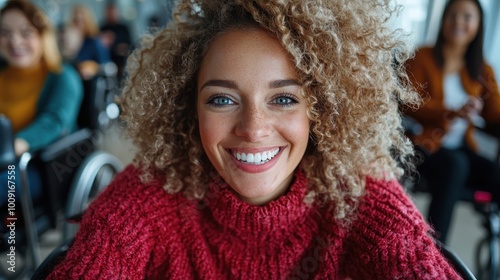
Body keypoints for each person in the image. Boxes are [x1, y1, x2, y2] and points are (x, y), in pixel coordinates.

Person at [48, 0, 461, 278]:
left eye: (283, 98)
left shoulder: (364, 202)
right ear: (187, 106)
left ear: (323, 109)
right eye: (223, 99)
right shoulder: (145, 199)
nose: (253, 128)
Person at [404, 0, 500, 244]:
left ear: (478, 25)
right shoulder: (422, 57)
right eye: (453, 15)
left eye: (467, 17)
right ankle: (436, 250)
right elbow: (408, 102)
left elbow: (495, 114)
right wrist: (452, 112)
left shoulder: (482, 70)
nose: (459, 22)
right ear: (443, 20)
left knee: (493, 172)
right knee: (456, 165)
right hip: (425, 146)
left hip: (462, 149)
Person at [0, 0, 83, 225]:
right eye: (5, 33)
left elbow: (54, 122)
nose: (15, 41)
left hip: (38, 166)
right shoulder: (3, 75)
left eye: (25, 33)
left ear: (43, 34)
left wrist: (16, 144)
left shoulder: (62, 77)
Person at [68, 4, 110, 80]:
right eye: (76, 20)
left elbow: (104, 62)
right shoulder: (68, 41)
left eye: (81, 21)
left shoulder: (93, 41)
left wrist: (92, 67)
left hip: (88, 82)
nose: (78, 24)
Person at [100, 3, 132, 81]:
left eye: (113, 12)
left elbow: (130, 43)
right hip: (108, 59)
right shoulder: (102, 28)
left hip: (123, 59)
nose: (112, 14)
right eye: (109, 12)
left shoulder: (124, 27)